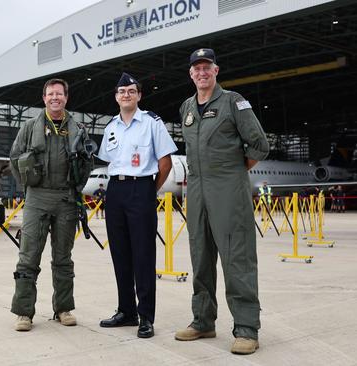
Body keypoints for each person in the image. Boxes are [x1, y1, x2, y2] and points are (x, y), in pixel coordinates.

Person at [175, 48, 269, 355]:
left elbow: (259, 144)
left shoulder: (233, 102)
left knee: (236, 258)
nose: (202, 73)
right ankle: (203, 320)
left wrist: (235, 170)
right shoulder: (187, 107)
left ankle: (246, 328)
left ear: (216, 71)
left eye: (207, 67)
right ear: (191, 74)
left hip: (229, 188)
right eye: (196, 69)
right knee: (200, 255)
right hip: (197, 190)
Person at [97, 72, 177, 338]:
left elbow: (165, 163)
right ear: (116, 97)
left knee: (143, 256)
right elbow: (108, 159)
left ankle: (146, 317)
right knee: (120, 254)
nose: (126, 95)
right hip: (116, 191)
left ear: (139, 95)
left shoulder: (152, 122)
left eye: (131, 91)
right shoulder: (111, 127)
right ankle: (126, 311)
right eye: (122, 92)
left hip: (141, 187)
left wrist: (147, 191)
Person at [9, 78, 92, 331]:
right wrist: (28, 187)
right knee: (28, 256)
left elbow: (88, 162)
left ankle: (63, 308)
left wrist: (75, 189)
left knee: (63, 258)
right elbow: (15, 158)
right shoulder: (30, 127)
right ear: (43, 98)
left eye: (59, 94)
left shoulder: (78, 128)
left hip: (66, 198)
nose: (55, 97)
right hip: (37, 197)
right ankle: (24, 312)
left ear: (66, 98)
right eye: (50, 94)